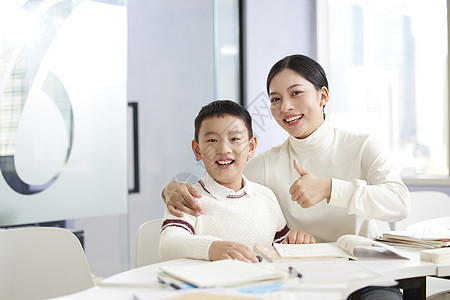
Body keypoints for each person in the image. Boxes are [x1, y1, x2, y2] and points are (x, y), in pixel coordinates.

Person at [162, 55, 410, 299]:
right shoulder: (267, 165)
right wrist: (172, 188)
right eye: (275, 99)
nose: (285, 107)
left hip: (364, 275)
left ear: (323, 96)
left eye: (296, 93)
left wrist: (330, 189)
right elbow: (222, 179)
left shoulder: (362, 146)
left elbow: (399, 204)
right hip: (303, 278)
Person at [159, 100, 315, 263]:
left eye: (234, 139)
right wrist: (213, 248)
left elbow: (278, 246)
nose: (224, 149)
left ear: (251, 146)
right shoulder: (187, 198)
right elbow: (168, 245)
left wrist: (295, 240)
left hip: (262, 285)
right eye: (212, 140)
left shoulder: (266, 197)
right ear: (197, 150)